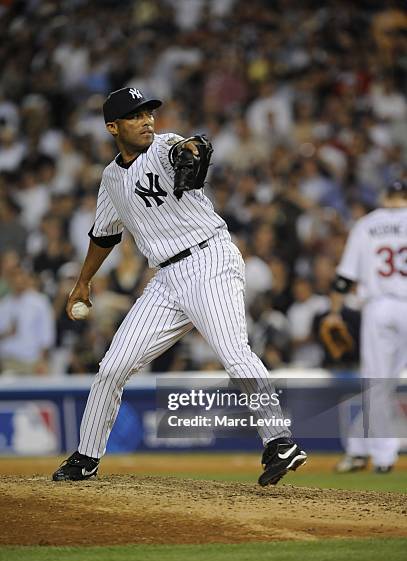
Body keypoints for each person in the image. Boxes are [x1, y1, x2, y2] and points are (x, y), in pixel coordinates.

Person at [52, 87, 307, 484]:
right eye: (136, 115)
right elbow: (104, 236)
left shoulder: (162, 146)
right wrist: (82, 283)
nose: (147, 120)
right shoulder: (110, 180)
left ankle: (279, 440)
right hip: (167, 279)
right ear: (112, 127)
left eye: (149, 112)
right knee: (112, 366)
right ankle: (86, 456)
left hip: (210, 259)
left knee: (234, 353)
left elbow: (184, 147)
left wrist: (189, 150)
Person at [326, 179, 407, 473]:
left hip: (380, 308)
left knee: (377, 383)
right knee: (382, 386)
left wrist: (335, 313)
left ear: (385, 195)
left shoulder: (367, 224)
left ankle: (382, 456)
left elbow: (343, 279)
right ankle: (360, 449)